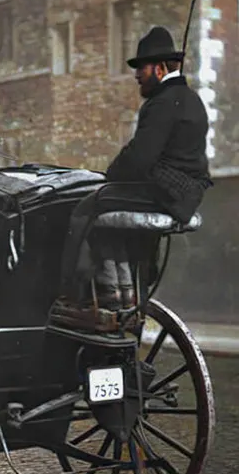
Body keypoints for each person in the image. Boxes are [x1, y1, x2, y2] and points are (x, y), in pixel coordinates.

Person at [55, 25, 212, 323]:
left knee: (87, 206)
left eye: (143, 67)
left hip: (165, 193)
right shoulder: (191, 100)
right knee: (109, 204)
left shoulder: (162, 103)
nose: (137, 74)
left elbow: (140, 157)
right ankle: (125, 289)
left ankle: (74, 294)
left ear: (161, 68)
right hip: (184, 193)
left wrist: (109, 175)